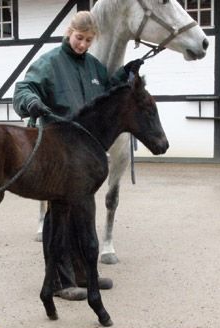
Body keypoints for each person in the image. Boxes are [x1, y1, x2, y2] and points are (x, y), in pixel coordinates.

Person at [13, 11, 143, 301]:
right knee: (59, 216)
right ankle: (59, 282)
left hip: (83, 155)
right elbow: (23, 89)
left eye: (88, 40)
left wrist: (126, 74)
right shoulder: (49, 63)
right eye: (79, 38)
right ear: (68, 32)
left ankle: (85, 275)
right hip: (56, 150)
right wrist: (31, 102)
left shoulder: (93, 67)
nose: (82, 44)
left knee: (82, 215)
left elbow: (108, 90)